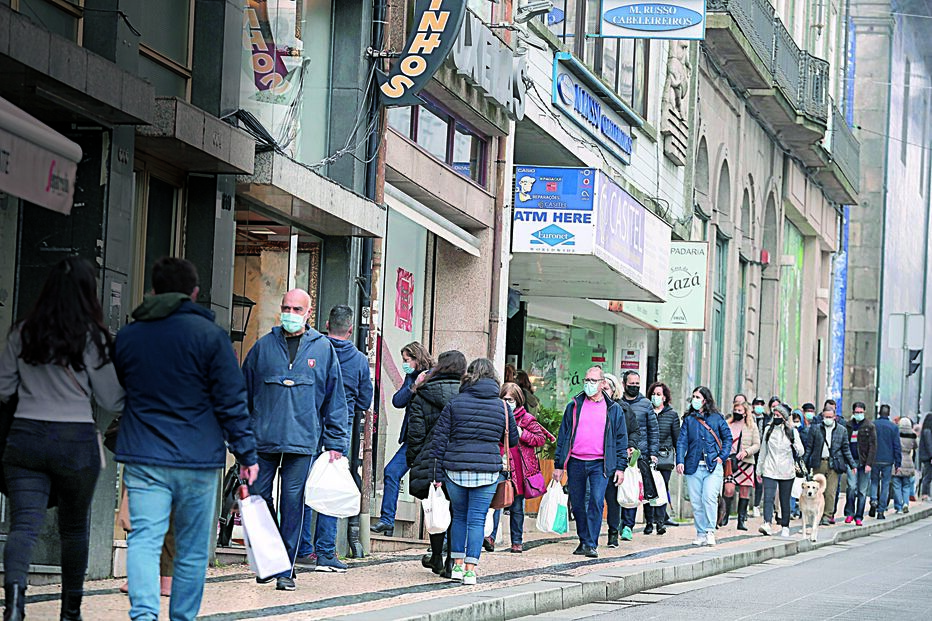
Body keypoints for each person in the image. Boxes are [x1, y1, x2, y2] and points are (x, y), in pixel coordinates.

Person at [115, 258, 258, 621]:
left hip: (144, 456)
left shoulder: (130, 336)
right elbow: (231, 399)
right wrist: (246, 453)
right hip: (198, 459)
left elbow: (118, 392)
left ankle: (144, 615)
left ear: (153, 290)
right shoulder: (211, 337)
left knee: (144, 539)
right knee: (193, 549)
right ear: (194, 294)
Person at [0, 257, 125, 621]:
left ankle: (15, 606)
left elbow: (4, 388)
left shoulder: (22, 331)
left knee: (23, 525)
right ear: (89, 292)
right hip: (75, 441)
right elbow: (110, 399)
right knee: (74, 528)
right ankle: (71, 611)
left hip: (25, 439)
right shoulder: (93, 338)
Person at [242, 288, 348, 588]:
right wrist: (240, 438)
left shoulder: (323, 349)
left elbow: (335, 400)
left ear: (308, 313)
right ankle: (269, 559)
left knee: (293, 503)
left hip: (302, 442)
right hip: (263, 440)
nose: (290, 313)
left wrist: (336, 443)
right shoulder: (262, 348)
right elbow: (242, 394)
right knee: (258, 500)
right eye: (286, 307)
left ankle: (285, 569)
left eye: (296, 309)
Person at [297, 305, 373, 571]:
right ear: (350, 329)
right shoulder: (360, 360)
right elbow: (365, 399)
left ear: (326, 324)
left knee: (304, 485)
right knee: (331, 487)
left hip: (308, 422)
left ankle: (303, 549)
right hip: (341, 426)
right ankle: (326, 552)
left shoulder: (312, 349)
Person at [431, 358, 519, 585]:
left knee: (458, 517)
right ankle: (471, 570)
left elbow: (439, 439)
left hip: (455, 468)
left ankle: (457, 567)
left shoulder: (455, 402)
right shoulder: (502, 406)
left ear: (469, 376)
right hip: (488, 471)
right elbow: (513, 440)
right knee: (477, 520)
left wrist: (437, 474)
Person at [553, 366, 628, 558]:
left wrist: (620, 467)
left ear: (603, 384)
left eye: (593, 381)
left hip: (600, 463)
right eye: (587, 380)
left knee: (595, 500)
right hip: (576, 461)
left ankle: (591, 543)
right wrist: (559, 465)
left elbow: (621, 440)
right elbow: (563, 436)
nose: (589, 384)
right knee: (577, 503)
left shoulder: (613, 409)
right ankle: (583, 540)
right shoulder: (574, 406)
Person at [404, 350, 466, 578]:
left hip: (431, 458)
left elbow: (415, 433)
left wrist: (414, 460)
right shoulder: (466, 394)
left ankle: (437, 555)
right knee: (456, 510)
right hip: (458, 458)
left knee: (435, 506)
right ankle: (452, 559)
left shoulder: (423, 393)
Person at [372, 342, 433, 536]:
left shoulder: (433, 377)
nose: (404, 363)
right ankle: (387, 520)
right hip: (411, 439)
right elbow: (397, 401)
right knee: (391, 472)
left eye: (407, 360)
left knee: (433, 486)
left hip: (430, 440)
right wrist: (413, 387)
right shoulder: (412, 378)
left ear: (417, 358)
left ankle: (442, 536)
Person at [488, 382, 553, 553]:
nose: (507, 402)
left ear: (518, 401)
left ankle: (517, 541)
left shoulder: (527, 419)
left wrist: (521, 432)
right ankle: (490, 538)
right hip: (499, 464)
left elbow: (540, 439)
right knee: (496, 502)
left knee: (517, 506)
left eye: (510, 400)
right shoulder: (495, 416)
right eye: (504, 399)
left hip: (519, 468)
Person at [676, 386, 731, 546]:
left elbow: (727, 438)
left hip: (712, 466)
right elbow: (682, 441)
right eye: (693, 396)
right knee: (696, 501)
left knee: (709, 497)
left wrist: (722, 457)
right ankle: (700, 533)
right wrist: (680, 460)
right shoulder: (689, 419)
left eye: (698, 397)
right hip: (693, 466)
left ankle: (710, 531)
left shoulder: (716, 418)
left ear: (705, 400)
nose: (694, 399)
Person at [618, 371, 659, 540]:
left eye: (637, 383)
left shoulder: (646, 404)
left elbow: (653, 430)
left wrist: (653, 453)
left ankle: (628, 525)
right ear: (624, 384)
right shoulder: (616, 403)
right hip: (618, 452)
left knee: (631, 490)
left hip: (637, 455)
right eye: (631, 383)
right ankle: (617, 523)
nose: (634, 386)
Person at [601, 372, 639, 548]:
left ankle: (613, 532)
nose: (602, 390)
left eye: (606, 387)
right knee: (593, 499)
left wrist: (629, 446)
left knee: (613, 499)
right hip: (595, 458)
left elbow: (633, 431)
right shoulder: (591, 407)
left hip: (614, 459)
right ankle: (589, 534)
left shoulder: (623, 409)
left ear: (614, 390)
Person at [757, 404, 804, 537]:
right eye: (774, 415)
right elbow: (763, 450)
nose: (776, 417)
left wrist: (794, 443)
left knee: (784, 499)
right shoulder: (769, 430)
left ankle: (785, 526)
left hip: (786, 470)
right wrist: (759, 469)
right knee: (768, 497)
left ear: (784, 417)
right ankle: (767, 523)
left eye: (779, 415)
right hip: (770, 468)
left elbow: (801, 451)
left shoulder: (792, 431)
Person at [803, 406, 856, 525]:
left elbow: (846, 449)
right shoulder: (815, 429)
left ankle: (827, 515)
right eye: (825, 417)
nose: (827, 419)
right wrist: (804, 464)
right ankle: (818, 514)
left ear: (835, 417)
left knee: (831, 491)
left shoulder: (841, 430)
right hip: (819, 463)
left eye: (830, 417)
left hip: (834, 463)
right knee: (817, 490)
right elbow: (809, 448)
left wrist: (852, 465)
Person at [721, 401, 760, 530]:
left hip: (746, 462)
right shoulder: (727, 424)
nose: (737, 413)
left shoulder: (751, 426)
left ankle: (741, 519)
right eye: (735, 410)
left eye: (740, 411)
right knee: (729, 489)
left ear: (745, 412)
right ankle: (725, 514)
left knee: (744, 491)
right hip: (730, 462)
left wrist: (746, 452)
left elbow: (757, 444)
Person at [650, 381, 680, 532]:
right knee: (648, 488)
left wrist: (679, 458)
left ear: (664, 397)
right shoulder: (646, 412)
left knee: (662, 488)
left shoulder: (672, 415)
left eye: (658, 394)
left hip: (664, 456)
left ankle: (660, 521)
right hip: (648, 456)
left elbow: (677, 439)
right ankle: (650, 521)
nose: (655, 397)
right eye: (653, 394)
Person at [869, 404, 901, 519]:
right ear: (888, 414)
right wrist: (898, 463)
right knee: (885, 484)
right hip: (888, 460)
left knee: (874, 481)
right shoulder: (893, 427)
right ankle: (881, 510)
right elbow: (897, 446)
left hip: (874, 458)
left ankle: (873, 500)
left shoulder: (873, 424)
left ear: (879, 413)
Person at [892, 417, 917, 514]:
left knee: (897, 485)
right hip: (908, 461)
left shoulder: (896, 434)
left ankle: (899, 506)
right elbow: (915, 446)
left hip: (897, 461)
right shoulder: (912, 436)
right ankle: (906, 503)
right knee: (906, 485)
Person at [750, 397, 768, 517]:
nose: (759, 406)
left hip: (762, 452)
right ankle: (745, 504)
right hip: (749, 451)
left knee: (759, 480)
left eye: (761, 404)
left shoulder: (767, 419)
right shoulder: (749, 418)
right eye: (757, 404)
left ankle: (756, 504)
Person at [918, 413, 932, 501]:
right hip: (928, 457)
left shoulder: (925, 430)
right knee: (928, 475)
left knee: (926, 475)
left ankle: (924, 493)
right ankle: (925, 494)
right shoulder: (928, 431)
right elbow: (929, 444)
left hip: (925, 456)